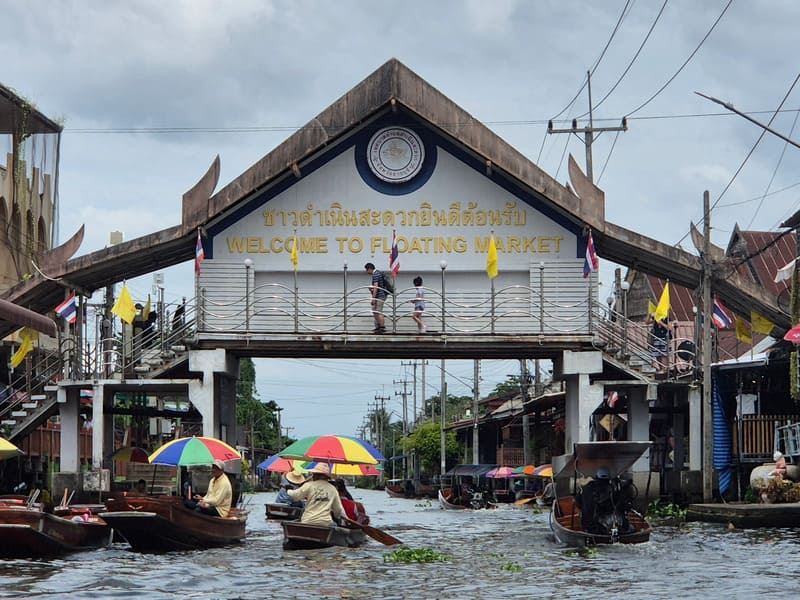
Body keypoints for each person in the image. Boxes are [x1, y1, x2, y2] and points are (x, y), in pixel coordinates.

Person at [364, 263, 387, 333]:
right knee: (375, 311)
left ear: (370, 269)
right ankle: (378, 326)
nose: (366, 272)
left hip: (380, 296)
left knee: (378, 311)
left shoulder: (375, 274)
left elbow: (376, 287)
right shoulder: (378, 273)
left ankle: (382, 327)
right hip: (380, 295)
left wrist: (373, 298)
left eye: (367, 270)